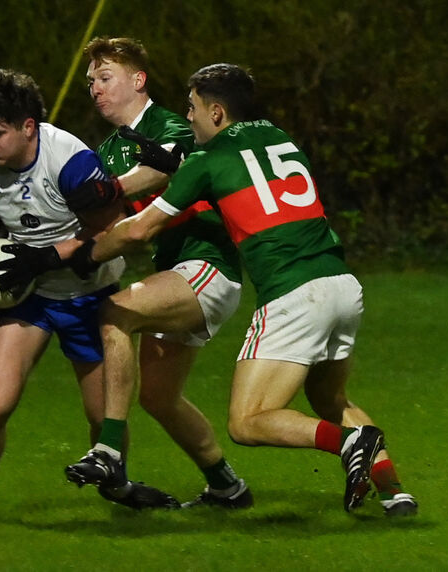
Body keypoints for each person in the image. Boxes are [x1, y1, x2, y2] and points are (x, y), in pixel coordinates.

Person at [65, 63, 418, 514]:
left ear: (216, 112)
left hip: (294, 293)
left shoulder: (207, 160)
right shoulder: (279, 137)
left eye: (192, 108)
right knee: (330, 398)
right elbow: (246, 184)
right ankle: (394, 492)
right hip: (343, 285)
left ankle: (350, 443)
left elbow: (138, 231)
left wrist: (82, 255)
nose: (187, 119)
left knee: (247, 422)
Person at [0, 68, 174, 518]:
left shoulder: (70, 162)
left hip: (89, 294)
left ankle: (117, 484)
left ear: (28, 127)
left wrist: (47, 258)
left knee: (102, 419)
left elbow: (105, 229)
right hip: (27, 298)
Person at [60, 38, 252, 508]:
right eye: (90, 83)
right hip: (176, 274)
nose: (95, 90)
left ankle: (107, 451)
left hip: (209, 264)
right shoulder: (108, 150)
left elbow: (162, 171)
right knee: (160, 398)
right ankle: (228, 487)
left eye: (105, 78)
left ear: (138, 80)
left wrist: (102, 191)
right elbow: (104, 218)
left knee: (116, 312)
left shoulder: (178, 123)